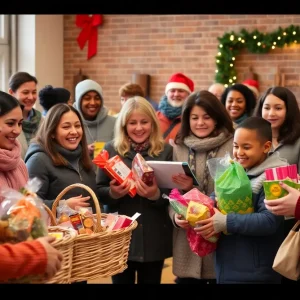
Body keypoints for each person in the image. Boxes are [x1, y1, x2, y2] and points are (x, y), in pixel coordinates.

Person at [196, 117, 287, 284]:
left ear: (266, 147)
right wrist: (199, 208)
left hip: (257, 272)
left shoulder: (275, 178)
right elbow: (217, 197)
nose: (239, 153)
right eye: (236, 146)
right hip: (226, 266)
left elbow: (269, 221)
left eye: (247, 147)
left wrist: (226, 221)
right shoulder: (234, 170)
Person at [96, 96, 173, 284]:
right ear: (123, 125)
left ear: (153, 124)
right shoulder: (110, 150)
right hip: (119, 237)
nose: (139, 128)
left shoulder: (165, 151)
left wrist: (155, 195)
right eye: (132, 123)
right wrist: (113, 193)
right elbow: (99, 191)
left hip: (154, 235)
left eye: (144, 122)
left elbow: (174, 195)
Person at [170, 90, 234, 284]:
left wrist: (193, 189)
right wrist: (175, 216)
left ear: (217, 117)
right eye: (194, 117)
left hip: (221, 237)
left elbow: (233, 191)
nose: (200, 123)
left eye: (207, 117)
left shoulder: (232, 145)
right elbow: (170, 193)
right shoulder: (179, 147)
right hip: (186, 242)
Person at [0, 91, 63, 282]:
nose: (17, 131)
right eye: (10, 123)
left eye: (19, 123)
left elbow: (27, 209)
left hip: (24, 268)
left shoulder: (19, 163)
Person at [252, 86, 300, 284]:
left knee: (284, 269)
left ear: (288, 110)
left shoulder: (297, 141)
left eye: (278, 108)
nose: (271, 113)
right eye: (266, 107)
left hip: (287, 218)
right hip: (256, 216)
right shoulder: (251, 137)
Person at [24, 103, 97, 211]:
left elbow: (94, 199)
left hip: (89, 226)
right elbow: (28, 204)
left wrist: (112, 192)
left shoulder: (83, 156)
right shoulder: (38, 160)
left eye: (77, 126)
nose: (74, 131)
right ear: (52, 132)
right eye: (66, 127)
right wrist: (61, 205)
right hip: (54, 227)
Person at [74, 79, 116, 160]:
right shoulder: (70, 124)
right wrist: (83, 151)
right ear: (79, 100)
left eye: (97, 98)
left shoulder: (114, 123)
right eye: (87, 98)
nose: (93, 103)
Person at [8, 71, 42, 159]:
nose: (31, 97)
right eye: (25, 92)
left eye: (34, 92)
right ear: (11, 92)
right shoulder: (4, 123)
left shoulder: (43, 121)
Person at [156, 73, 194, 145]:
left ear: (188, 94)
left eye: (181, 91)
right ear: (167, 93)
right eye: (172, 90)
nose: (176, 94)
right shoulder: (155, 117)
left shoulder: (192, 118)